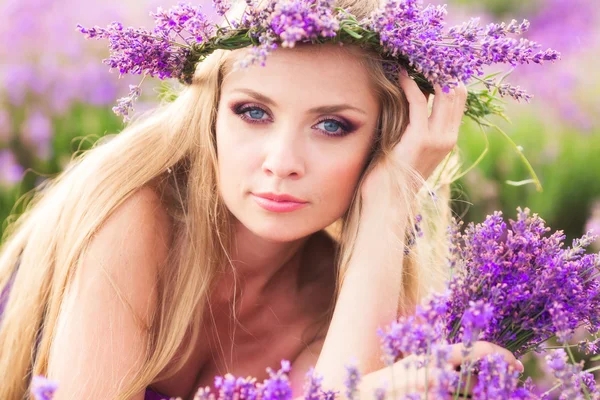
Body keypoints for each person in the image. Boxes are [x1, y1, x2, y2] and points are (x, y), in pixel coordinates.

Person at [0, 0, 523, 399]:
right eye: (253, 112)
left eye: (332, 125)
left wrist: (390, 203)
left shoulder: (353, 293)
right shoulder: (133, 211)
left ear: (383, 142)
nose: (282, 160)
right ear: (211, 113)